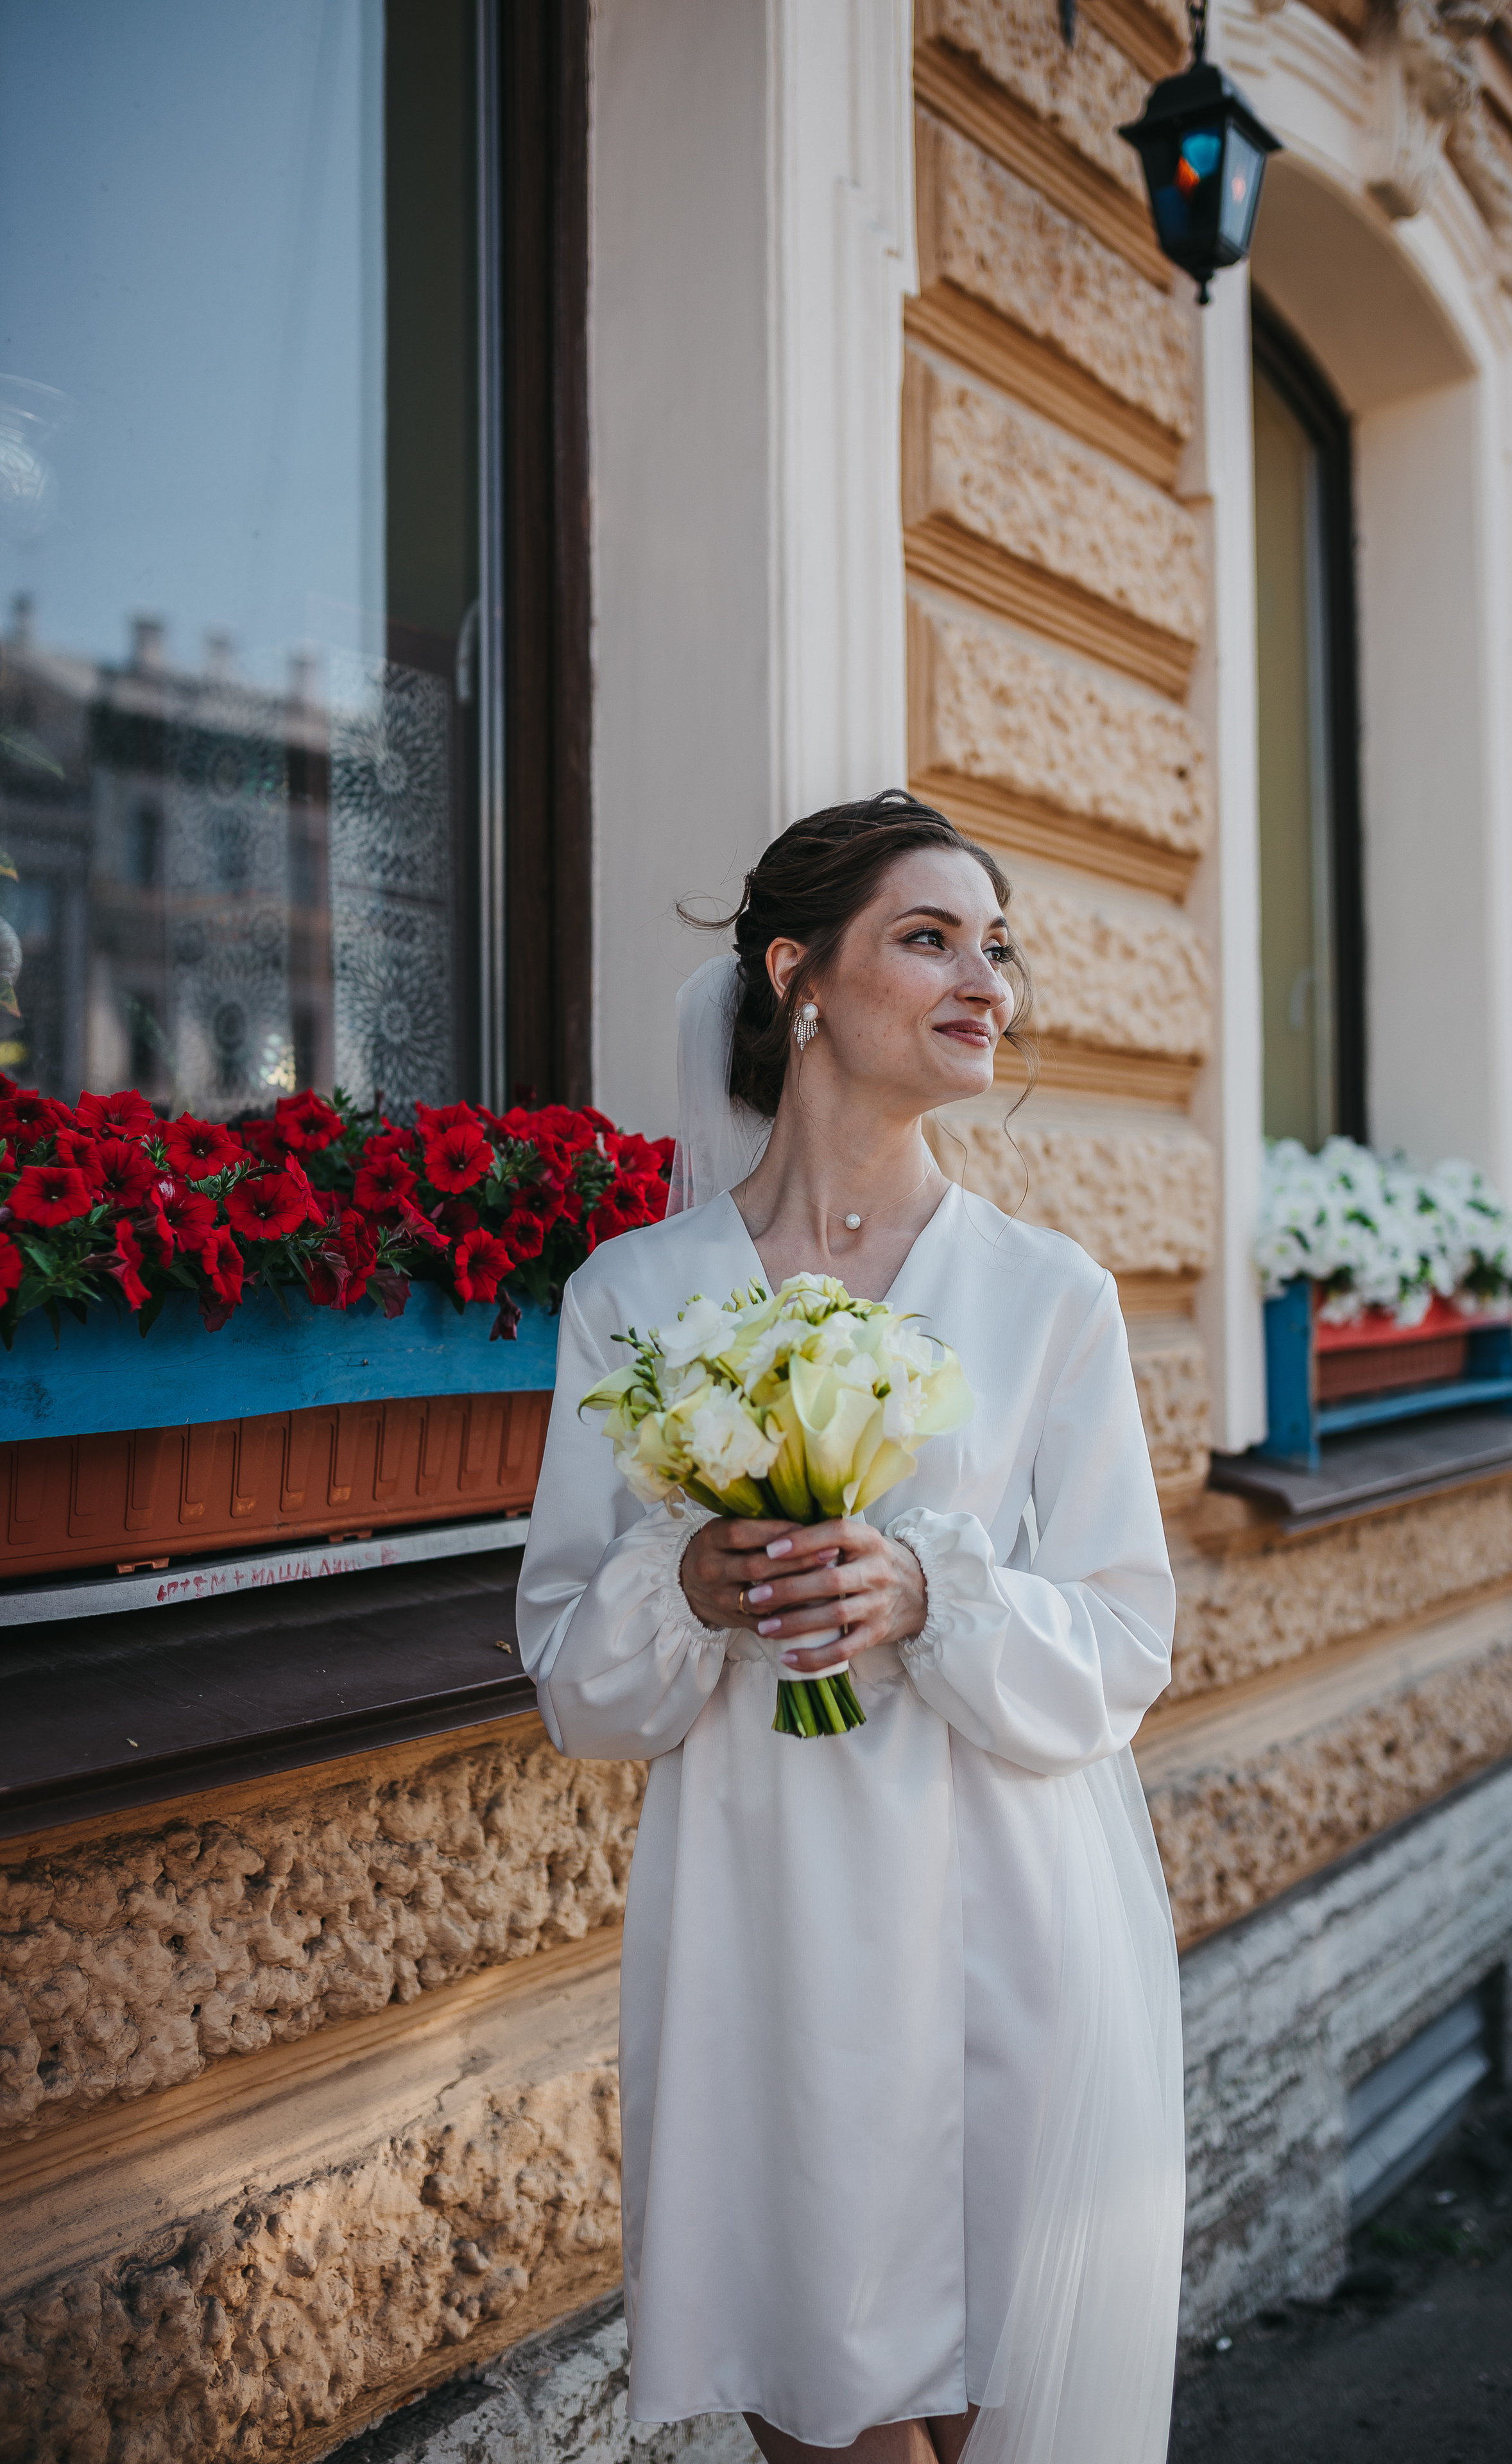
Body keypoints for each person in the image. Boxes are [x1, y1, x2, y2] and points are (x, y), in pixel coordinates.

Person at [516, 791, 1185, 2463]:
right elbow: (577, 1692)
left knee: (991, 2394)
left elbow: (1124, 1642)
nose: (987, 984)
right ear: (796, 974)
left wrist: (932, 1593)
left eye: (997, 948)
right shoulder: (636, 1298)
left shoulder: (1049, 1294)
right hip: (763, 1930)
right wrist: (684, 1586)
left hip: (1007, 1920)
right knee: (811, 2400)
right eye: (930, 939)